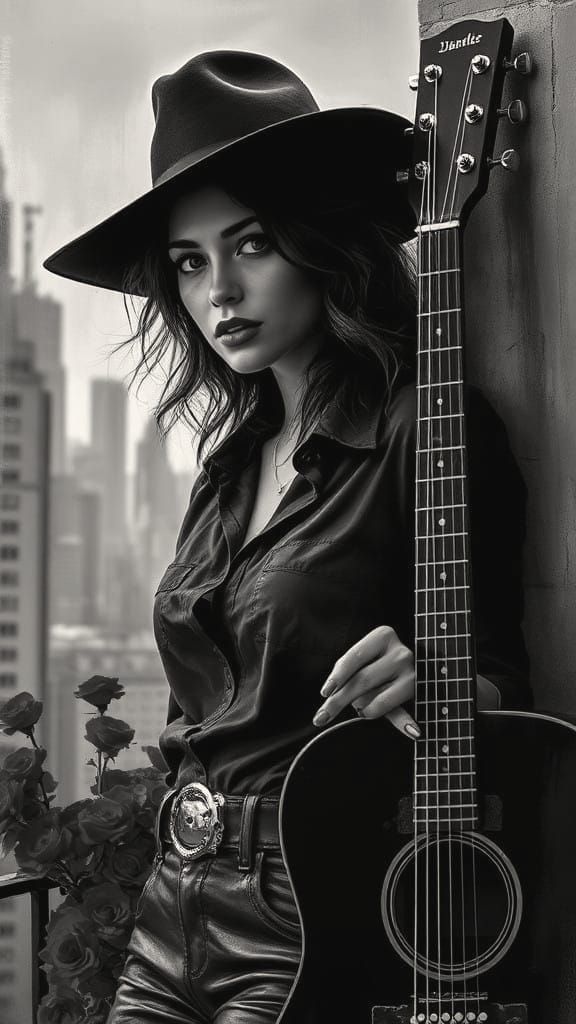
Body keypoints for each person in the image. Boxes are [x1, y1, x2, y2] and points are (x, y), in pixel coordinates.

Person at [44, 49, 531, 1024]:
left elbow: (508, 685)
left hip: (305, 903)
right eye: (190, 262)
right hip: (170, 905)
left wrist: (431, 678)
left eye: (252, 244)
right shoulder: (228, 465)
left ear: (320, 241)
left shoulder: (422, 426)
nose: (218, 290)